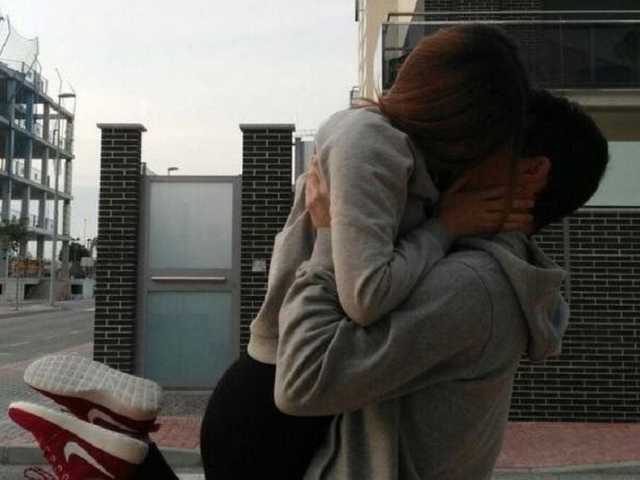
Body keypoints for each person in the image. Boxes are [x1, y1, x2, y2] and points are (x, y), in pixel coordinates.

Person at [8, 89, 609, 480]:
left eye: (483, 138)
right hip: (274, 429)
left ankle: (117, 453)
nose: (460, 145)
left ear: (531, 172)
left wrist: (327, 239)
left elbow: (305, 377)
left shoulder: (476, 284)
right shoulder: (469, 254)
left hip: (273, 424)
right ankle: (117, 449)